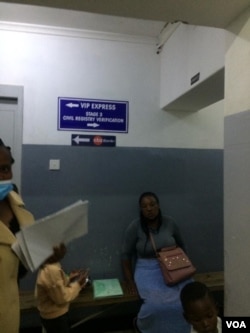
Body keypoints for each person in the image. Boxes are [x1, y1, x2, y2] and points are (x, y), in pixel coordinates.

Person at [0, 139, 67, 332]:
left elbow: (17, 268)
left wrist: (46, 257)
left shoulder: (16, 207)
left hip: (9, 315)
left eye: (5, 168)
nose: (1, 176)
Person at [121, 191, 192, 333]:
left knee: (185, 301)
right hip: (147, 269)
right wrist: (129, 281)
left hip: (173, 267)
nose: (149, 209)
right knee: (155, 305)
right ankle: (143, 326)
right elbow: (125, 255)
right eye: (144, 206)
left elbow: (182, 245)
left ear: (158, 205)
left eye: (152, 204)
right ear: (141, 209)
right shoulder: (135, 227)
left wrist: (184, 267)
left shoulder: (170, 222)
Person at [35, 244, 89, 333]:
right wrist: (78, 285)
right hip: (55, 318)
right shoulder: (52, 270)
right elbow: (62, 298)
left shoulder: (49, 265)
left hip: (50, 315)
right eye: (60, 245)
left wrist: (69, 278)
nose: (64, 246)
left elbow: (55, 285)